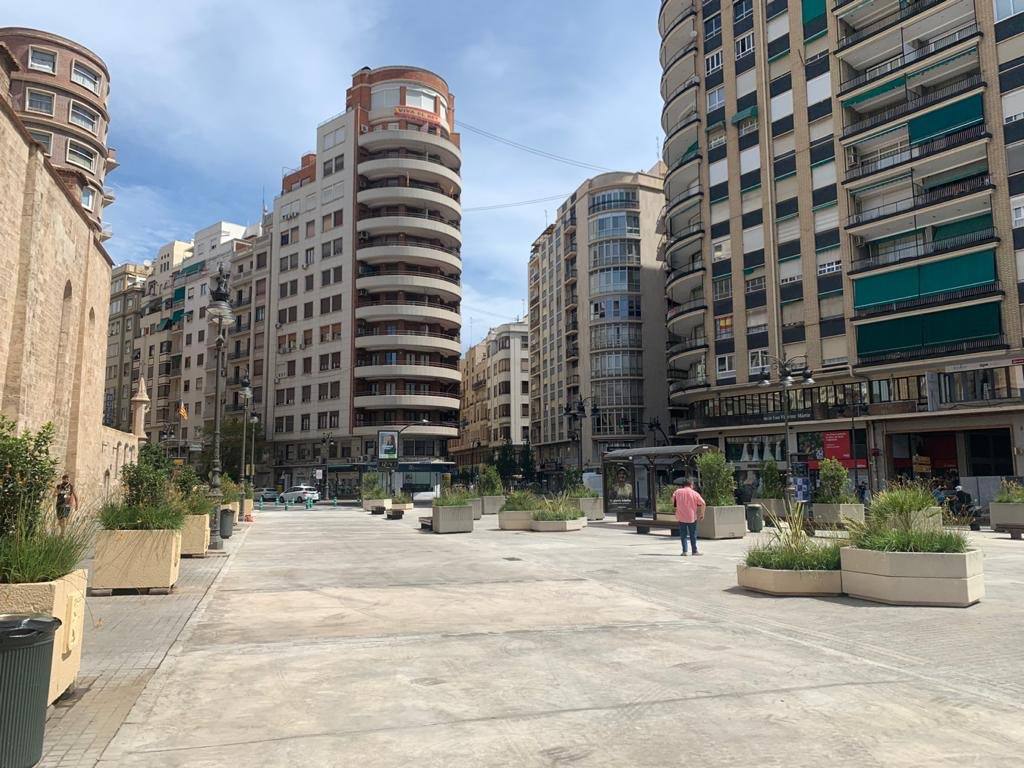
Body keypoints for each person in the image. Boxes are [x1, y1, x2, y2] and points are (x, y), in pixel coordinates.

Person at [671, 479, 706, 557]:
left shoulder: (677, 492)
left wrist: (676, 508)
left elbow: (673, 500)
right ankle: (694, 551)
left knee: (683, 534)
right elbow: (703, 503)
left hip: (681, 516)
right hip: (692, 517)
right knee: (693, 534)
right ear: (691, 485)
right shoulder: (694, 493)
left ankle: (685, 551)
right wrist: (702, 514)